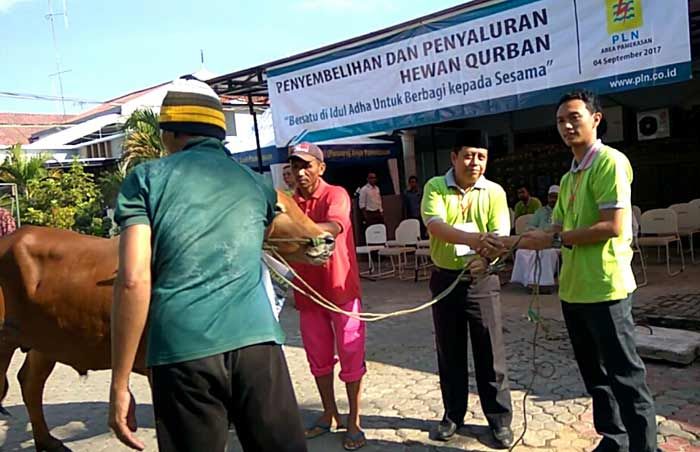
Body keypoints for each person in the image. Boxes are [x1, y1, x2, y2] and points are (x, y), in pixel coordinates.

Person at [109, 77, 307, 452]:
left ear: (168, 133)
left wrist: (120, 383)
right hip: (258, 345)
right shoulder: (257, 184)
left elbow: (133, 280)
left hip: (183, 353)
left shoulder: (146, 180)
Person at [519, 90, 658, 452]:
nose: (566, 126)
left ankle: (645, 447)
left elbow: (612, 226)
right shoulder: (569, 178)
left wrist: (557, 238)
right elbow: (558, 226)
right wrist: (525, 239)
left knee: (626, 376)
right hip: (574, 290)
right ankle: (614, 438)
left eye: (574, 117)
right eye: (560, 120)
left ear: (595, 119)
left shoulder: (610, 163)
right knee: (596, 378)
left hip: (606, 288)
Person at [420, 131, 513, 448]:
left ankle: (499, 420)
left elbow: (499, 234)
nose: (475, 162)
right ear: (454, 157)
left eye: (482, 156)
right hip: (446, 279)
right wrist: (475, 241)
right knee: (450, 351)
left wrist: (485, 260)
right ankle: (453, 415)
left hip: (482, 280)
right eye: (469, 155)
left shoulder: (495, 192)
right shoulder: (435, 187)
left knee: (491, 352)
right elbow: (435, 225)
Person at [288, 142, 367, 451]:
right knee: (318, 359)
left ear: (321, 167)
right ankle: (329, 412)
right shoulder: (289, 202)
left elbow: (334, 226)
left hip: (340, 291)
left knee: (351, 355)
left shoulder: (336, 194)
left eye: (307, 165)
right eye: (295, 166)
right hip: (308, 294)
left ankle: (355, 419)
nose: (301, 171)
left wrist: (295, 231)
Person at [510, 185, 560, 293]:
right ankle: (530, 283)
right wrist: (534, 231)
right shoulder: (541, 211)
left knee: (547, 254)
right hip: (537, 241)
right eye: (551, 197)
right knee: (522, 252)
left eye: (555, 197)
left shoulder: (564, 211)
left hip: (554, 243)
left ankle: (544, 285)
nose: (553, 200)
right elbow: (530, 226)